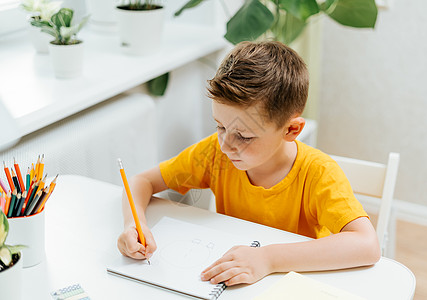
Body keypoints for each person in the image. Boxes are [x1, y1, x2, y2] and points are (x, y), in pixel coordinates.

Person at [117, 41, 381, 287]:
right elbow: (142, 182)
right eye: (220, 126)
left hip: (291, 283)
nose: (226, 144)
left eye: (244, 136)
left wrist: (268, 259)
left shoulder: (319, 173)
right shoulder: (214, 153)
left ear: (291, 129)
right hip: (235, 280)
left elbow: (367, 245)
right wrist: (133, 225)